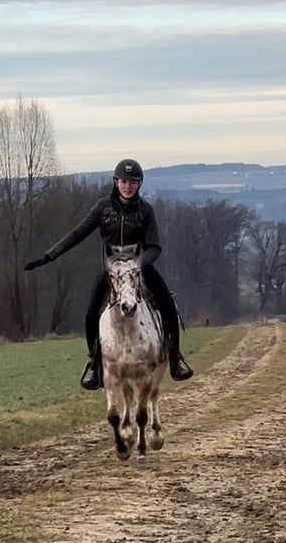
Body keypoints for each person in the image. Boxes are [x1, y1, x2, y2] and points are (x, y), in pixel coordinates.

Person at [24, 158, 194, 389]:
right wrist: (48, 256)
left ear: (139, 184)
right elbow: (77, 234)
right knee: (91, 314)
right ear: (116, 182)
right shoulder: (103, 208)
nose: (128, 186)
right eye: (123, 181)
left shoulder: (146, 211)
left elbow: (155, 246)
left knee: (166, 304)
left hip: (140, 268)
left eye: (133, 182)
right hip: (111, 271)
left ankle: (175, 357)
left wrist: (138, 264)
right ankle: (95, 364)